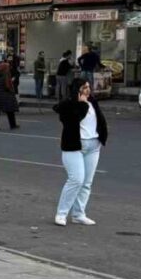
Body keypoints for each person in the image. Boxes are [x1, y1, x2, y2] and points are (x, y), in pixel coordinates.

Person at [54, 77, 108, 226]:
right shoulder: (68, 105)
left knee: (86, 183)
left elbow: (100, 121)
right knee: (76, 179)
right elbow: (72, 120)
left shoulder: (92, 102)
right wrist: (82, 104)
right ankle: (61, 213)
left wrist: (101, 137)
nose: (88, 90)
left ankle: (78, 214)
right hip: (74, 146)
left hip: (93, 146)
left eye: (89, 87)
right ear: (77, 89)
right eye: (84, 87)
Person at [0, 60, 19, 131]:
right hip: (5, 95)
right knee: (10, 111)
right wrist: (12, 91)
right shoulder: (6, 74)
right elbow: (8, 86)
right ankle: (13, 125)